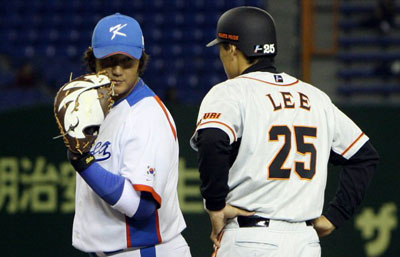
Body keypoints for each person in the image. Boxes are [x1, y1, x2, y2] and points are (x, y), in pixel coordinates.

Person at [190, 6, 379, 257]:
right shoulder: (316, 97)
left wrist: (215, 206)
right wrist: (336, 215)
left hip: (251, 238)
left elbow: (212, 140)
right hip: (305, 243)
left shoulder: (230, 91)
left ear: (232, 48)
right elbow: (364, 155)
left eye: (222, 48)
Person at [67, 13, 191, 257]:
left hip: (146, 251)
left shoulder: (147, 115)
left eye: (126, 62)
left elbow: (141, 206)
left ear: (140, 63)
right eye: (109, 61)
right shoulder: (100, 107)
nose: (116, 70)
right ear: (93, 62)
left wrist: (84, 163)